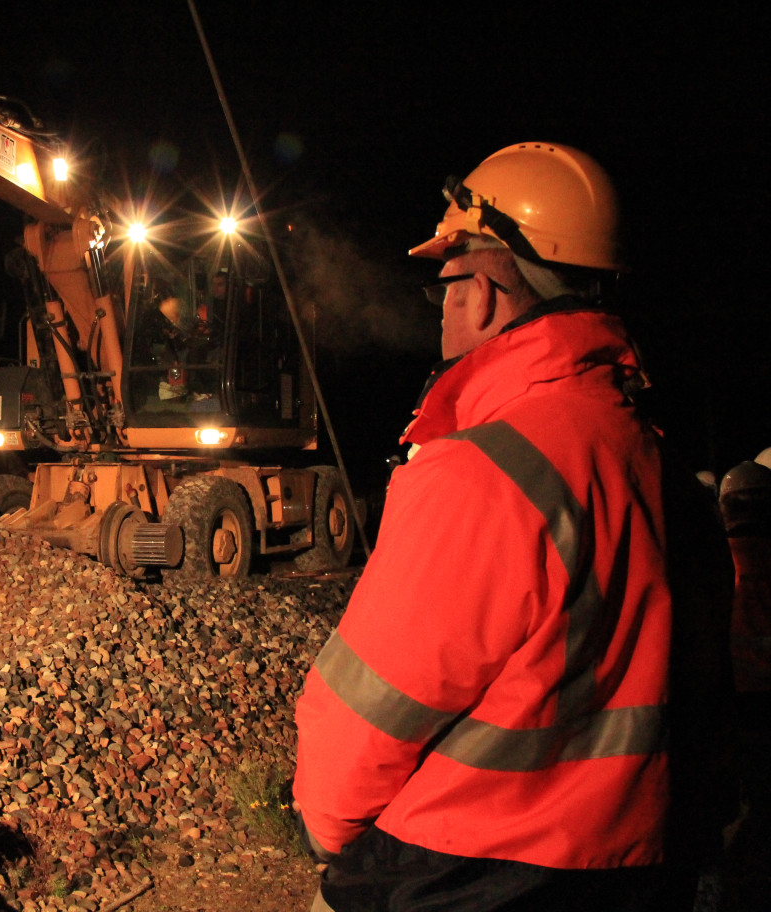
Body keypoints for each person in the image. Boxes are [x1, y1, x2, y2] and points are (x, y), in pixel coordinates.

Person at [291, 142, 734, 911]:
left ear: (489, 292)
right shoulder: (661, 468)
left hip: (462, 873)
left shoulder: (484, 472)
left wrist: (328, 837)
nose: (443, 310)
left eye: (446, 287)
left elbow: (366, 713)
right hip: (641, 866)